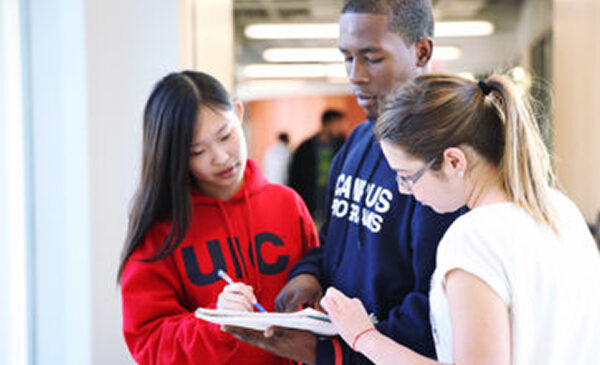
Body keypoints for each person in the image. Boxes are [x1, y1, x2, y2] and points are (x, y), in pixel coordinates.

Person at [224, 1, 463, 364]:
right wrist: (309, 275)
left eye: (372, 57)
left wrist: (334, 353)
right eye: (347, 58)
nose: (356, 74)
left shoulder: (443, 163)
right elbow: (333, 240)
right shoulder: (356, 143)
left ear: (422, 51)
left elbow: (435, 308)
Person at [320, 73, 600, 364]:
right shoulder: (560, 209)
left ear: (455, 161)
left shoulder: (473, 237)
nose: (406, 191)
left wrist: (364, 338)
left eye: (406, 177)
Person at [117, 71, 318, 365]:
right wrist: (216, 324)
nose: (221, 157)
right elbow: (149, 344)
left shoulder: (287, 204)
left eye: (226, 135)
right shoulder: (161, 228)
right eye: (197, 151)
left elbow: (319, 292)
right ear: (175, 157)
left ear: (238, 113)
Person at [288, 109, 346, 225]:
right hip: (311, 202)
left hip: (334, 202)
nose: (341, 128)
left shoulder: (343, 146)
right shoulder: (305, 148)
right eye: (338, 124)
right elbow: (294, 177)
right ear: (328, 123)